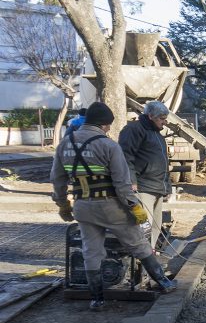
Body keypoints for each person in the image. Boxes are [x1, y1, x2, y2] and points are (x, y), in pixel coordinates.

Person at [50, 102, 177, 311]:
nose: (109, 128)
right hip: (110, 206)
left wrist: (63, 205)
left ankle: (97, 298)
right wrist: (134, 207)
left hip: (83, 205)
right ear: (104, 124)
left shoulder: (66, 143)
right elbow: (122, 183)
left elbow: (57, 179)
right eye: (108, 125)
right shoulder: (108, 145)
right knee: (138, 244)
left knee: (91, 251)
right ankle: (164, 283)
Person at [118, 100, 171, 251]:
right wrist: (131, 181)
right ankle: (142, 257)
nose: (164, 122)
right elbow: (125, 156)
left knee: (156, 225)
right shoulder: (134, 130)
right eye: (162, 118)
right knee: (143, 225)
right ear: (150, 116)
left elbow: (164, 163)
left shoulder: (157, 135)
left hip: (157, 187)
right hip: (143, 187)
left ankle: (151, 252)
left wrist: (167, 187)